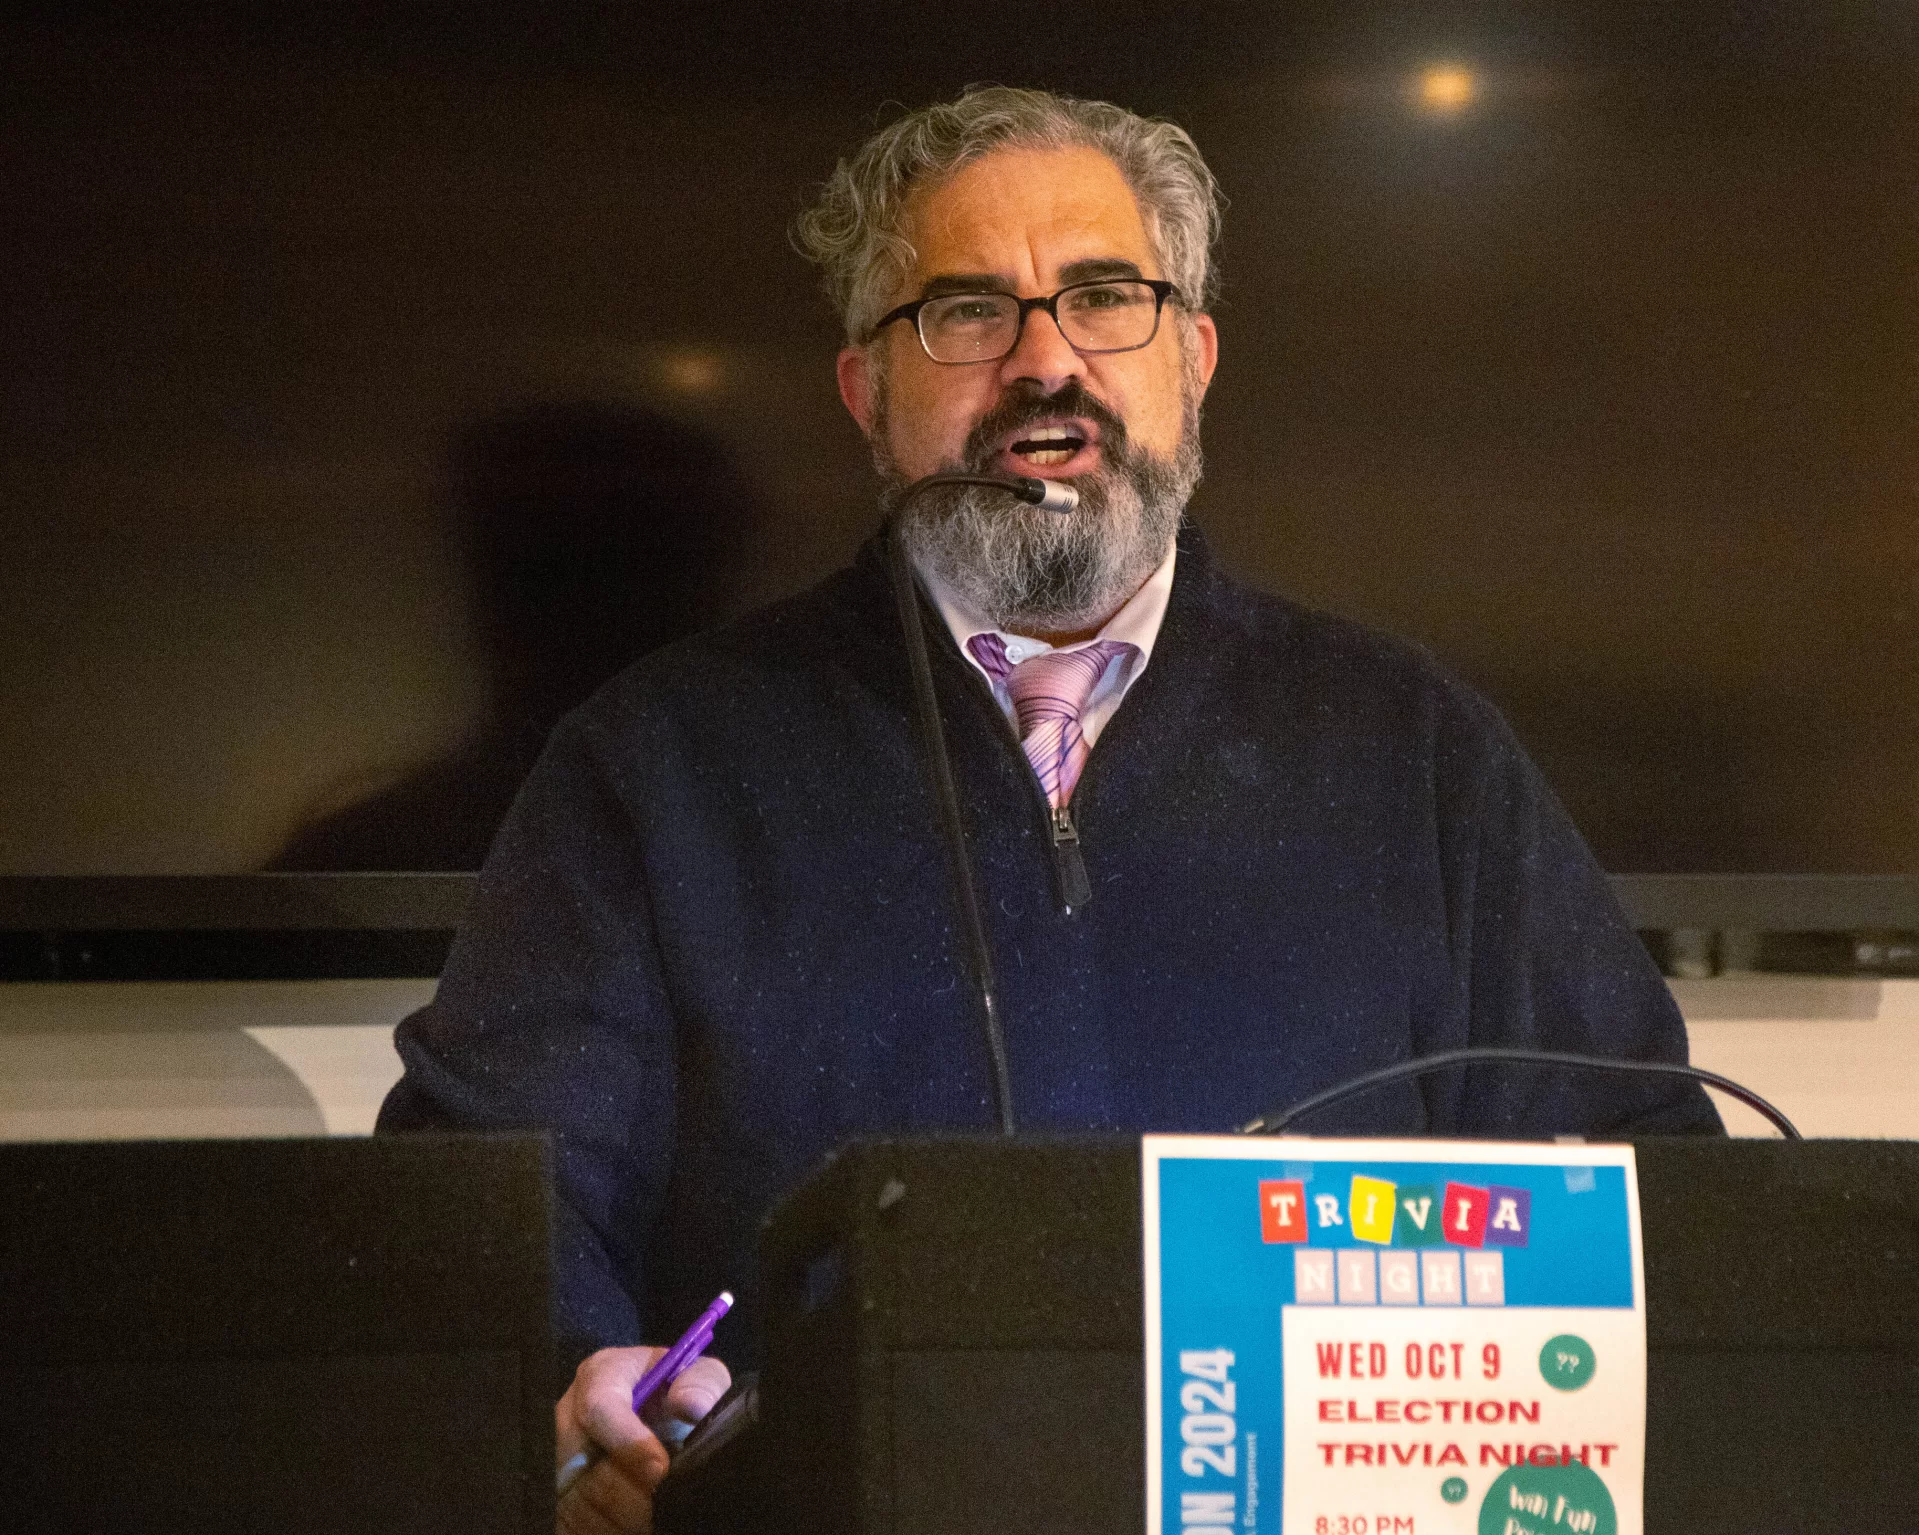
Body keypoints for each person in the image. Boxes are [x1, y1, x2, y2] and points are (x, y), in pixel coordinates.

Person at [377, 86, 1720, 1533]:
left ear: (1191, 359)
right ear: (865, 393)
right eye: (964, 311)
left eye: (1102, 299)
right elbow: (481, 1199)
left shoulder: (1414, 747)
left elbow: (1645, 1183)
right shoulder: (657, 763)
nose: (1042, 363)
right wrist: (577, 1377)